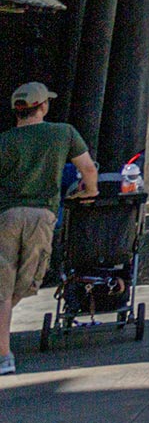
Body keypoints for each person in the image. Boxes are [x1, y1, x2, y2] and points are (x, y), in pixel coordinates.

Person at [0, 82, 97, 376]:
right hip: (42, 215)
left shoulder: (4, 140)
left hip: (5, 215)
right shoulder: (63, 132)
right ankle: (2, 351)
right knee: (26, 284)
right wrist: (89, 193)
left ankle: (4, 354)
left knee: (2, 289)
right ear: (42, 106)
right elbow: (89, 170)